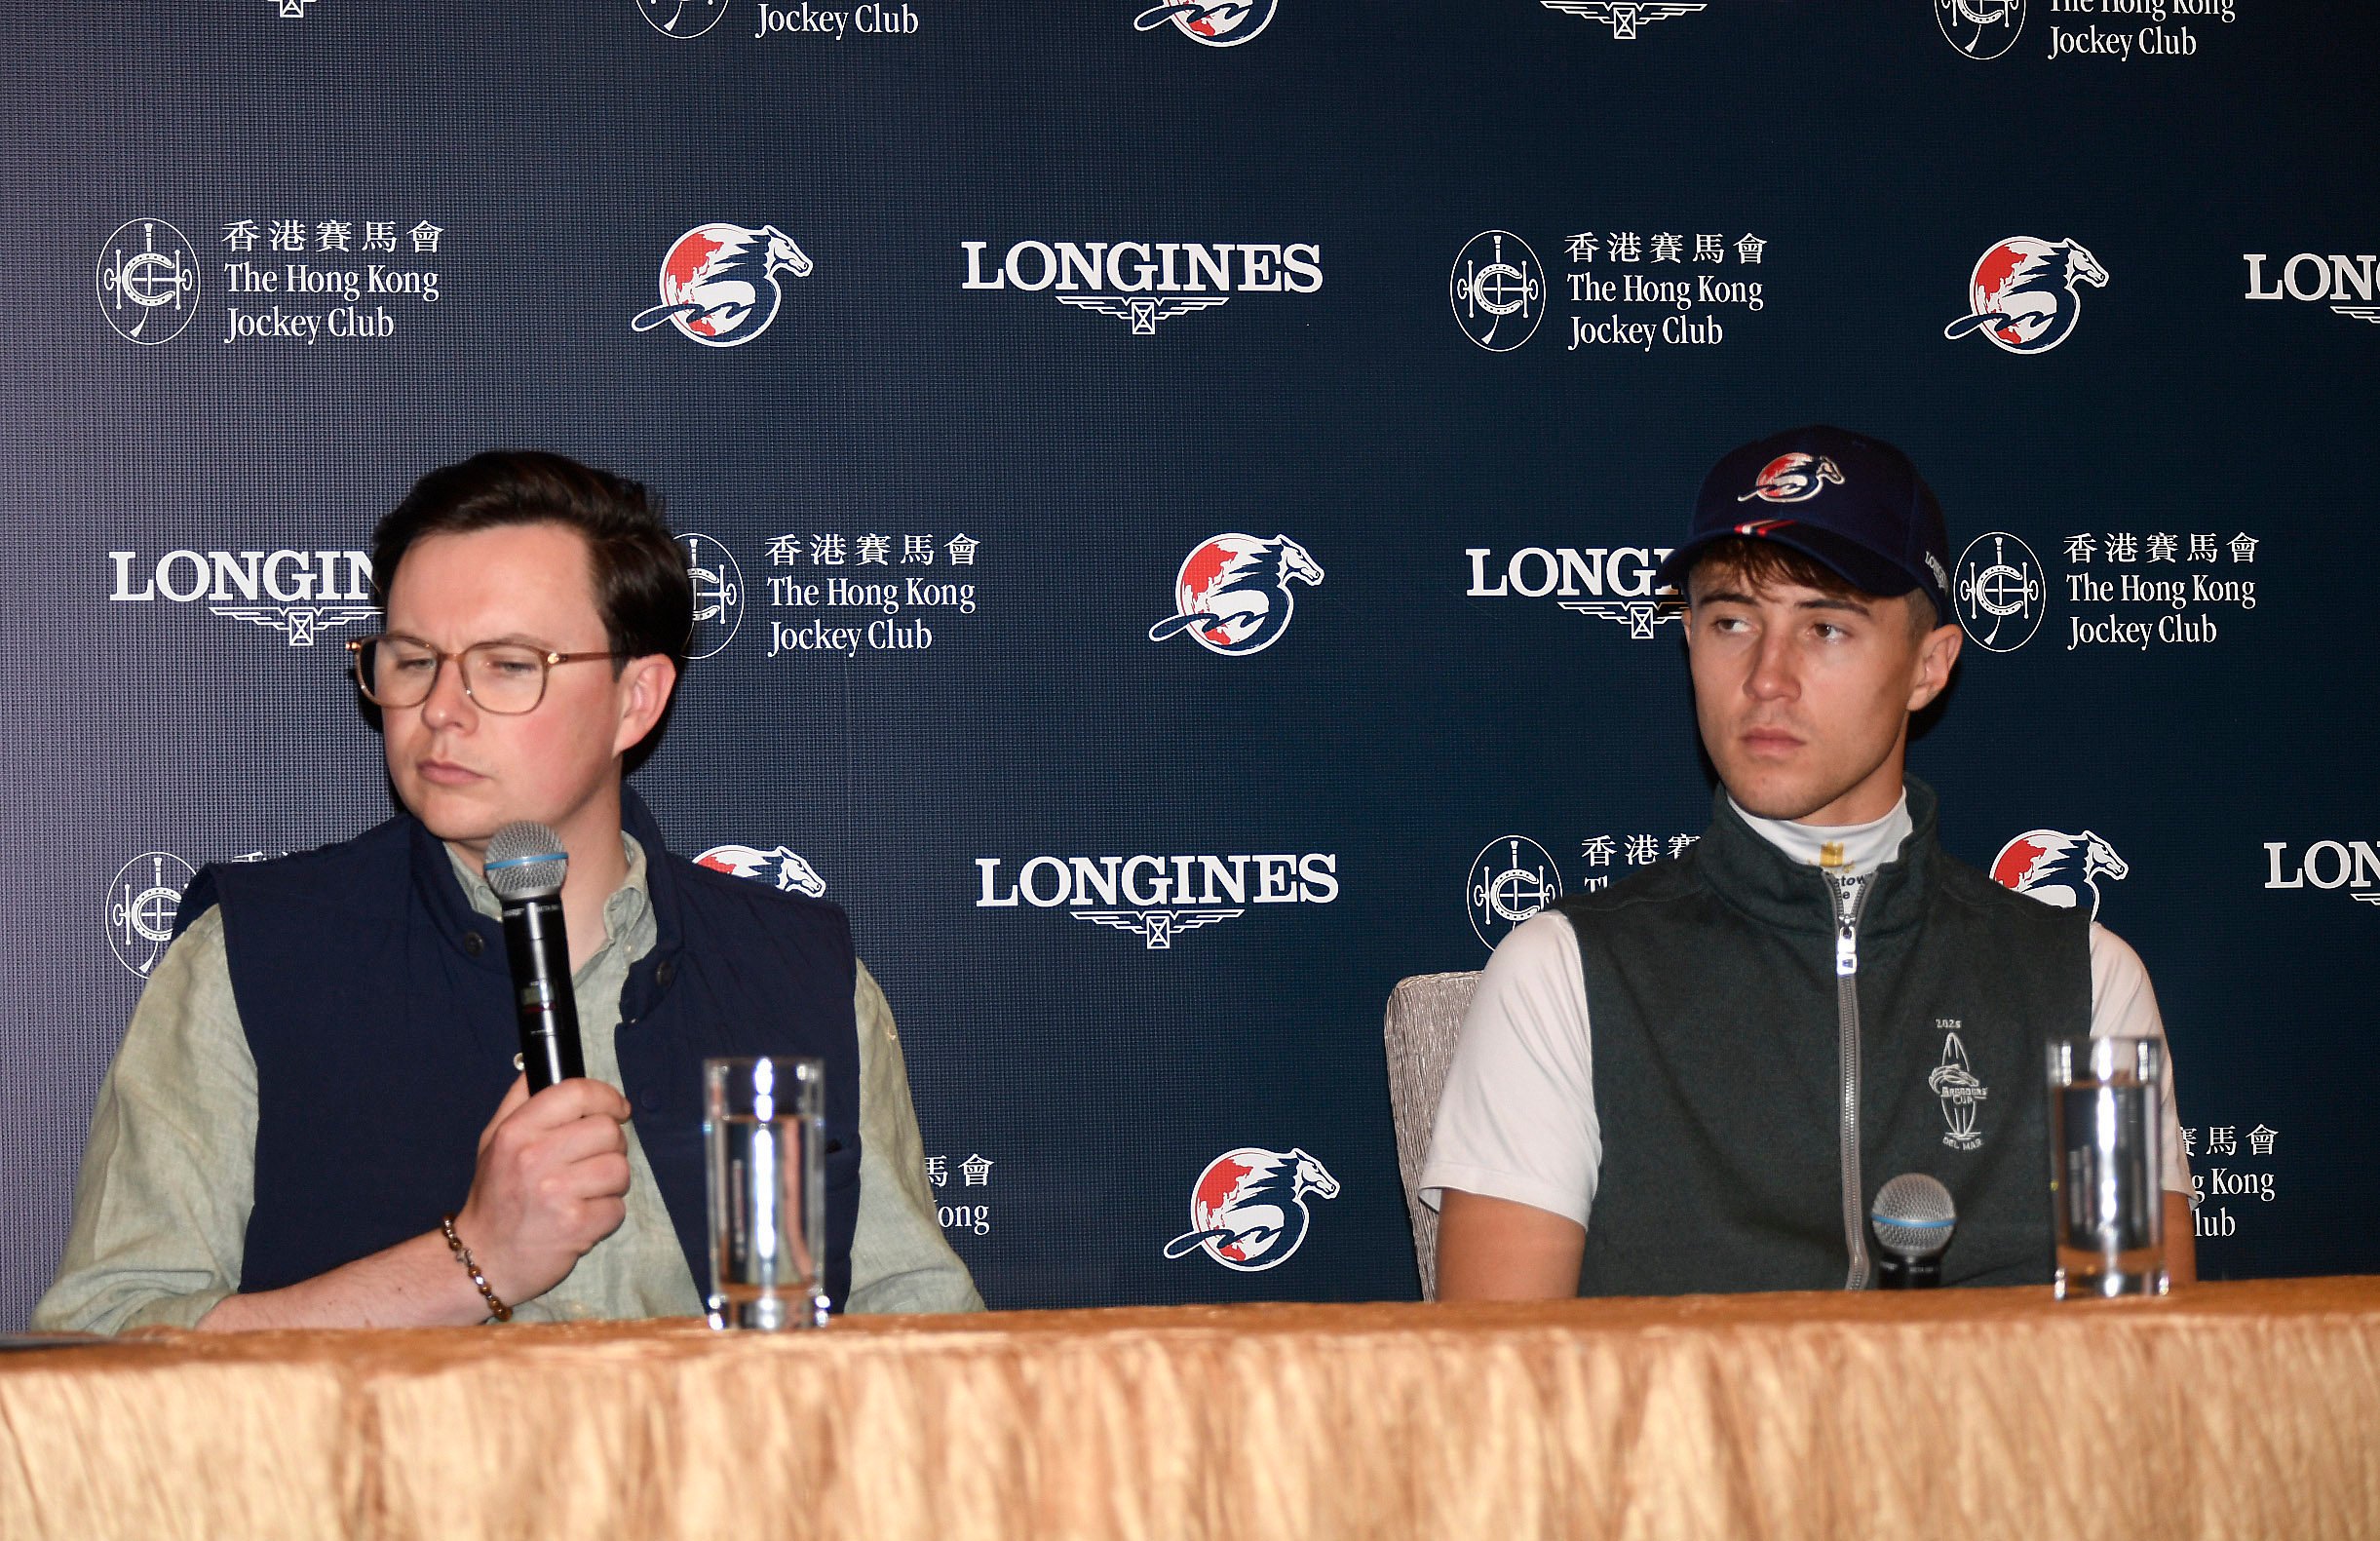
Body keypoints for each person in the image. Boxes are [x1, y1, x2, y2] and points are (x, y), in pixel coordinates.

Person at [37, 450, 980, 1330]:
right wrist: (472, 1263)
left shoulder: (796, 979)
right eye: (411, 661)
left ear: (636, 699)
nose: (441, 710)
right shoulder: (251, 958)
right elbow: (109, 1352)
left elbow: (932, 1366)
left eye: (506, 666)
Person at [1422, 426, 2195, 1298]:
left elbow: (2144, 1369)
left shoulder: (2088, 985)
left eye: (1825, 627)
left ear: (1929, 667)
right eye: (1730, 621)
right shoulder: (1561, 975)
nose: (1766, 677)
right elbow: (1498, 1392)